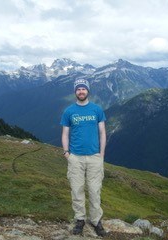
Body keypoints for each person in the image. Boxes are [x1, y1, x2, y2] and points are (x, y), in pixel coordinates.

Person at [60, 79, 107, 237]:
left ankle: (95, 220)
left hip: (94, 157)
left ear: (88, 91)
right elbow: (65, 133)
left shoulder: (97, 110)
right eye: (78, 89)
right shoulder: (69, 111)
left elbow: (102, 133)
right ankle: (80, 219)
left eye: (83, 89)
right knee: (77, 189)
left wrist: (102, 154)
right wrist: (67, 153)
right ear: (75, 92)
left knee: (94, 190)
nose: (81, 91)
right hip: (76, 157)